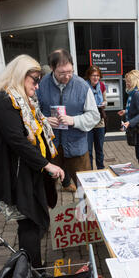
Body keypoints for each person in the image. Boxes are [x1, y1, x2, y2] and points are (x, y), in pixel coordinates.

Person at [0, 54, 65, 268]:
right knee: (30, 223)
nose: (38, 86)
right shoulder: (3, 101)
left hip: (28, 171)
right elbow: (18, 141)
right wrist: (46, 164)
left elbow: (35, 135)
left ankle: (32, 269)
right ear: (21, 76)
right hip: (15, 175)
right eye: (35, 80)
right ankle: (33, 271)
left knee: (35, 221)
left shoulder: (26, 102)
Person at [37, 49, 100, 192]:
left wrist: (74, 120)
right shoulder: (41, 85)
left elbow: (94, 116)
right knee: (47, 188)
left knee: (86, 189)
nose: (67, 76)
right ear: (52, 68)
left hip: (77, 147)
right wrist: (44, 120)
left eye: (70, 71)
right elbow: (32, 111)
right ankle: (48, 213)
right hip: (51, 147)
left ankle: (86, 213)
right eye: (62, 73)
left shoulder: (82, 86)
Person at [85, 65, 107, 169]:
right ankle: (90, 170)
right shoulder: (84, 86)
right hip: (88, 121)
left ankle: (101, 169)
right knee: (88, 150)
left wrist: (104, 103)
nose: (96, 78)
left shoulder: (102, 85)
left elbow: (105, 100)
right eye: (93, 75)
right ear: (89, 76)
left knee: (99, 149)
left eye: (98, 75)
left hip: (99, 121)